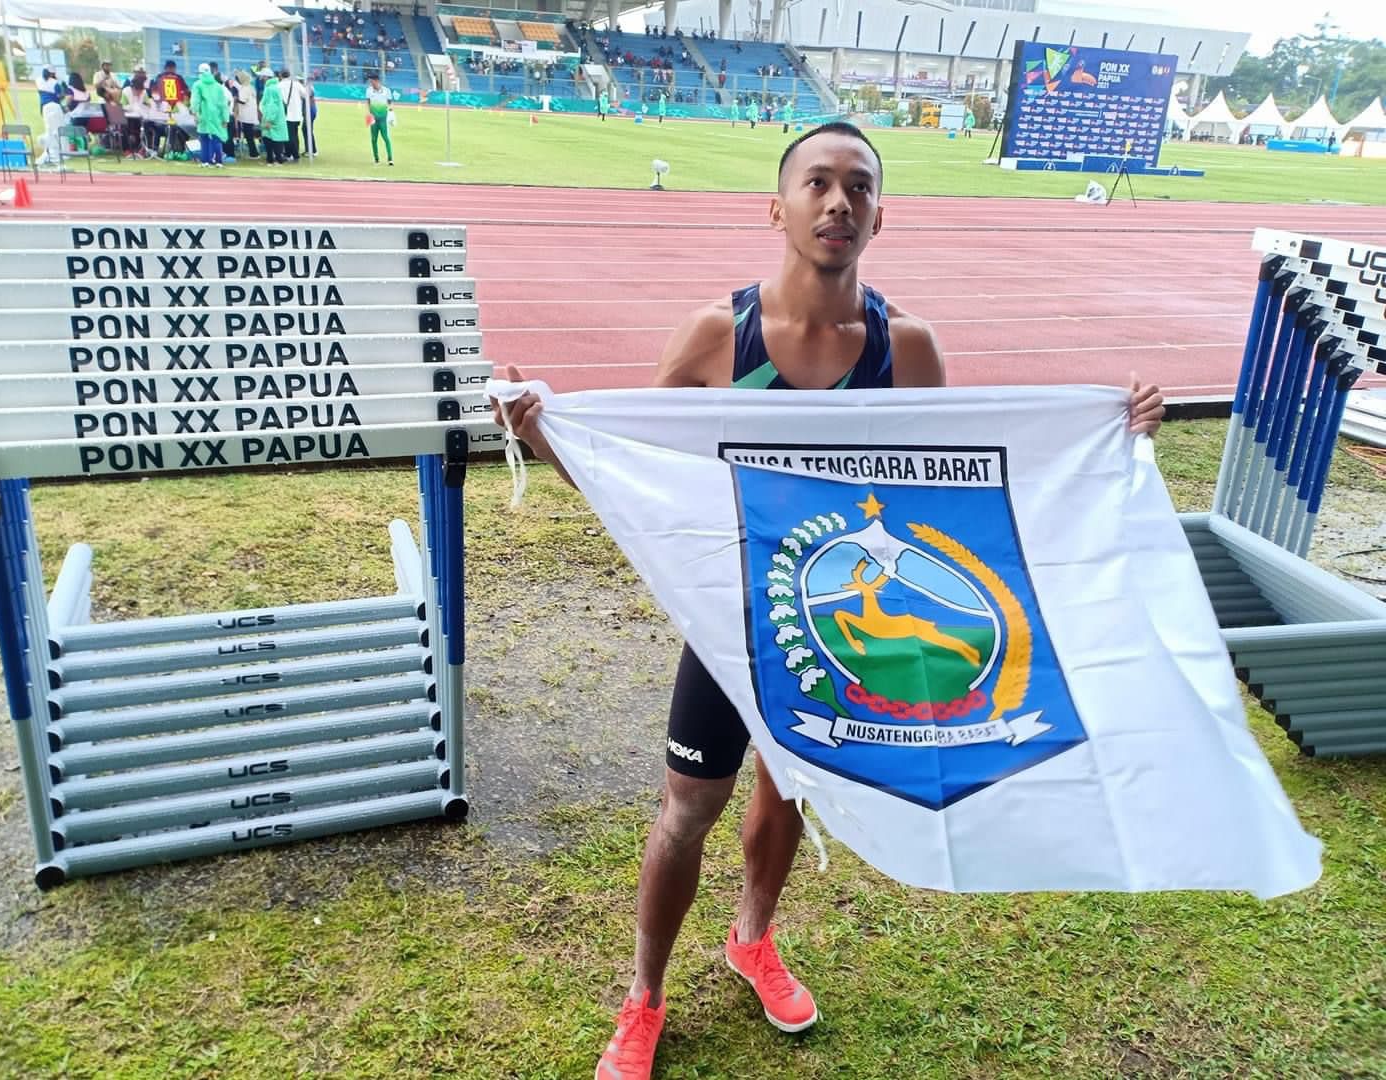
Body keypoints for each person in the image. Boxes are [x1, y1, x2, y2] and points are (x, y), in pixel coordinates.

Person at [493, 122, 1165, 1080]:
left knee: (791, 785)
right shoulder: (717, 337)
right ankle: (643, 997)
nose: (837, 200)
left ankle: (752, 939)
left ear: (880, 216)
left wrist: (1113, 428)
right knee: (688, 808)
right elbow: (636, 480)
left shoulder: (908, 349)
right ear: (779, 208)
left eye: (858, 186)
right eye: (817, 182)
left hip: (831, 620)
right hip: (734, 620)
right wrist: (544, 432)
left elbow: (965, 487)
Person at [191, 61, 229, 167]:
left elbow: (195, 101)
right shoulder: (218, 86)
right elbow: (223, 104)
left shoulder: (198, 84)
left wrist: (195, 113)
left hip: (204, 114)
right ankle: (219, 161)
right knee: (216, 138)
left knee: (204, 139)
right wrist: (225, 118)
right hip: (216, 115)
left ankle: (205, 161)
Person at [365, 72, 394, 166]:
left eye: (372, 81)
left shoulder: (386, 91)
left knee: (386, 138)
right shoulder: (369, 91)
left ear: (377, 81)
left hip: (383, 118)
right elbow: (368, 102)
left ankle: (390, 159)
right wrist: (368, 114)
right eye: (370, 81)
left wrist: (391, 114)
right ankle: (376, 158)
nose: (371, 83)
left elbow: (390, 103)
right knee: (373, 139)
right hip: (373, 118)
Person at [231, 69, 260, 159]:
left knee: (249, 135)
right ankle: (253, 152)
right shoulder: (250, 87)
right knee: (249, 134)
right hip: (251, 114)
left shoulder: (244, 89)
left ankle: (254, 153)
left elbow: (243, 101)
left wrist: (235, 99)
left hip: (246, 115)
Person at [259, 73, 287, 165]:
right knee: (271, 138)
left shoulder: (270, 89)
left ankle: (276, 159)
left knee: (272, 139)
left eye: (263, 76)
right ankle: (272, 159)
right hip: (275, 118)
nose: (261, 77)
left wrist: (269, 119)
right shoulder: (274, 87)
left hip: (272, 119)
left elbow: (272, 105)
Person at [278, 67, 304, 160]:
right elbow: (305, 94)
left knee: (289, 136)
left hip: (286, 114)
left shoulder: (279, 85)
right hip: (297, 113)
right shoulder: (296, 84)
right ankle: (292, 153)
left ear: (281, 75)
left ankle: (293, 154)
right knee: (295, 134)